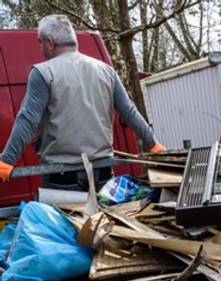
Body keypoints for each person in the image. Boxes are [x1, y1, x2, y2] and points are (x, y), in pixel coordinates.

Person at [0, 15, 166, 191]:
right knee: (102, 218)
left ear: (49, 42)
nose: (40, 47)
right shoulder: (106, 71)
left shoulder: (43, 72)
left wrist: (7, 160)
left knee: (68, 219)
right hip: (103, 172)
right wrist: (153, 144)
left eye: (40, 42)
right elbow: (129, 111)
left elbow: (28, 119)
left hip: (63, 177)